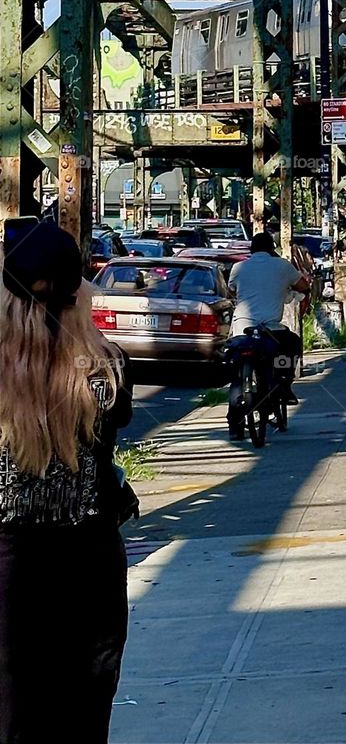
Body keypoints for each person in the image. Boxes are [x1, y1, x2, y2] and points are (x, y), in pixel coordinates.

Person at [0, 219, 133, 741]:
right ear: (78, 292)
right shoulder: (108, 369)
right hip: (89, 560)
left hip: (9, 562)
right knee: (83, 710)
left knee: (12, 711)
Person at [227, 232, 309, 436]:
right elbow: (304, 286)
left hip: (242, 330)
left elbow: (231, 291)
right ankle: (285, 382)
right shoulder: (282, 265)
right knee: (291, 345)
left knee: (237, 375)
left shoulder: (238, 267)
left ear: (251, 250)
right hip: (271, 330)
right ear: (271, 249)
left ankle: (234, 424)